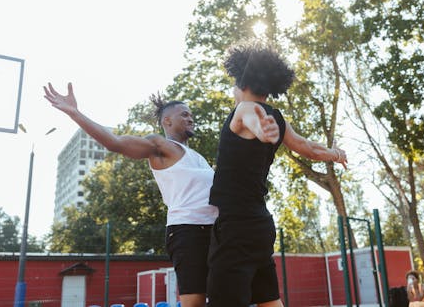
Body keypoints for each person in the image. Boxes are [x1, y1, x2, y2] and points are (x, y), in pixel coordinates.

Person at [44, 83, 279, 307]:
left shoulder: (198, 158)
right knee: (195, 301)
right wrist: (75, 113)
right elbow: (114, 143)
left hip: (219, 233)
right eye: (184, 115)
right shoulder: (160, 147)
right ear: (167, 121)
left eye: (190, 115)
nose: (191, 118)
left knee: (226, 296)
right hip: (188, 231)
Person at [206, 41, 348, 307]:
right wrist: (335, 154)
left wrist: (262, 130)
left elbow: (252, 118)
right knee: (269, 300)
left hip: (236, 226)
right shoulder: (277, 118)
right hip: (260, 226)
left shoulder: (246, 110)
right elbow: (309, 148)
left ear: (243, 83)